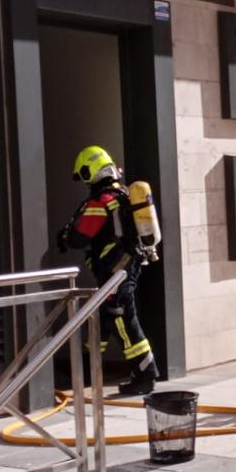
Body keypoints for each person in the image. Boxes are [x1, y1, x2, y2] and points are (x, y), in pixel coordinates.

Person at [57, 145, 159, 396]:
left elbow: (80, 237)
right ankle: (86, 369)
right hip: (124, 268)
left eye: (83, 174)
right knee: (103, 317)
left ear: (90, 171)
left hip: (117, 272)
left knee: (122, 318)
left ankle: (146, 374)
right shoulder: (122, 195)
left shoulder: (101, 201)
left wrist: (66, 236)